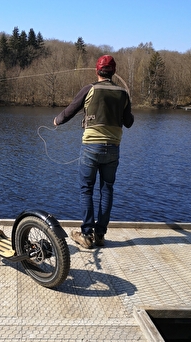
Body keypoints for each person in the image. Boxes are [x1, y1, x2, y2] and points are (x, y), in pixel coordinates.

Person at [54, 55, 134, 249]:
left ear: (97, 71)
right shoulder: (123, 93)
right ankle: (100, 235)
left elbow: (71, 110)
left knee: (86, 189)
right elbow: (129, 123)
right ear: (113, 72)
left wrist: (57, 120)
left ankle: (86, 234)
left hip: (91, 147)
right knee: (107, 190)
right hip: (113, 148)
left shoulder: (89, 89)